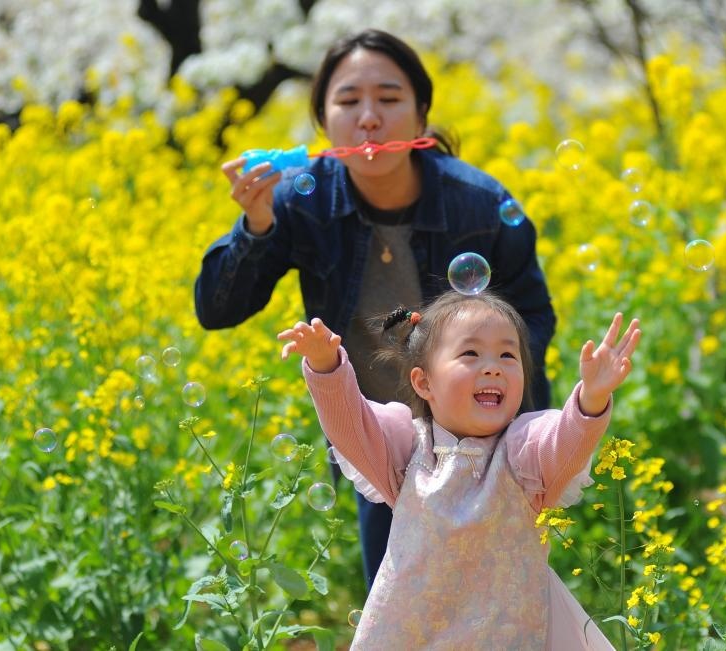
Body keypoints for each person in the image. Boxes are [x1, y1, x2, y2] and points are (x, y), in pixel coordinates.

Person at [193, 29, 557, 590]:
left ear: (420, 114)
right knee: (399, 609)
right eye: (347, 101)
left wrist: (476, 394)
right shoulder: (300, 201)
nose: (369, 118)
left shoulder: (480, 204)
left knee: (502, 605)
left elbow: (533, 316)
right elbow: (217, 309)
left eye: (389, 100)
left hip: (490, 442)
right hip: (385, 441)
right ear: (323, 123)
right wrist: (258, 226)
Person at [277, 291, 640, 649]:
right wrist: (327, 367)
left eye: (508, 354)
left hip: (506, 636)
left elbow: (566, 443)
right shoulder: (405, 449)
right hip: (411, 636)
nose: (493, 366)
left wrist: (592, 397)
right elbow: (351, 425)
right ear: (424, 383)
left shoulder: (524, 452)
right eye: (470, 353)